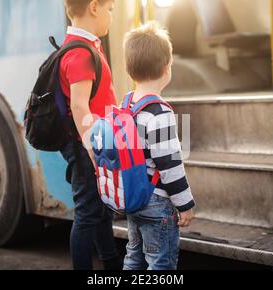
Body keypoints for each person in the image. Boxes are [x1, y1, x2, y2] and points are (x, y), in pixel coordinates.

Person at [122, 22, 196, 270]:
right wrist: (185, 204)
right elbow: (170, 165)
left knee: (134, 257)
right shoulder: (159, 112)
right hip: (156, 202)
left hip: (133, 198)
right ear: (167, 68)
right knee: (160, 263)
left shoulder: (127, 105)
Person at [59, 0, 120, 270]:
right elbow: (79, 105)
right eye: (110, 9)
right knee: (87, 212)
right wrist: (92, 150)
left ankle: (111, 264)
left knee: (99, 210)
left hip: (92, 143)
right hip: (87, 146)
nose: (111, 16)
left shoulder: (85, 45)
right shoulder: (80, 53)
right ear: (94, 7)